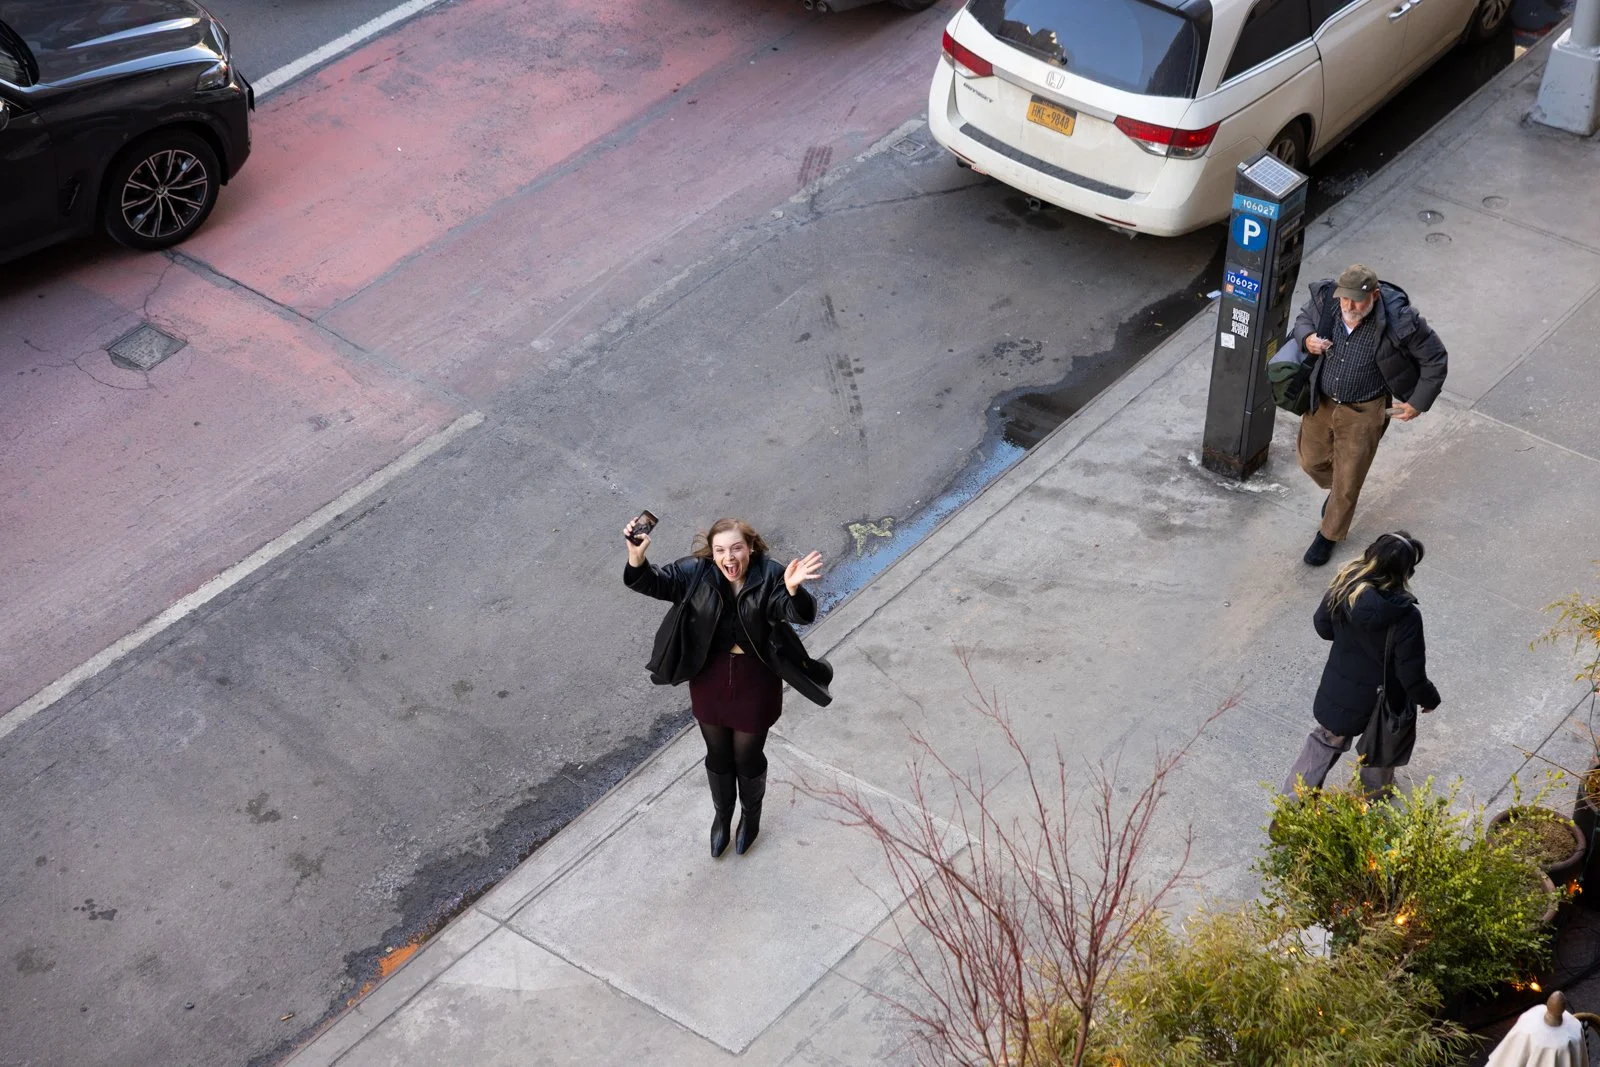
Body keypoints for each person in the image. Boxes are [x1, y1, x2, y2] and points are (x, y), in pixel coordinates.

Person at [623, 516, 830, 857]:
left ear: (750, 547)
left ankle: (751, 816)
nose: (729, 558)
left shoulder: (771, 573)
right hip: (710, 677)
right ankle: (723, 816)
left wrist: (793, 589)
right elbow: (652, 582)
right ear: (712, 552)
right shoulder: (695, 571)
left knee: (747, 756)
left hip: (756, 677)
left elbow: (797, 613)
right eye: (720, 550)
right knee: (718, 754)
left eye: (736, 548)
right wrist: (636, 556)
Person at [1292, 265, 1448, 567]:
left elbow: (1435, 359)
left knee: (1349, 481)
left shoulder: (1402, 321)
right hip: (1322, 401)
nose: (1349, 307)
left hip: (1364, 411)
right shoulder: (1326, 301)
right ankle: (1337, 492)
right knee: (1310, 460)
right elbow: (1302, 320)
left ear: (1374, 295)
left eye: (1357, 301)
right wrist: (1307, 338)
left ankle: (1329, 533)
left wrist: (1417, 402)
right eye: (1345, 300)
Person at [1282, 531, 1441, 797]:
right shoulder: (1405, 615)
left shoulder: (1345, 585)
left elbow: (1323, 627)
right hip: (1383, 700)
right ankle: (1373, 800)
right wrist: (1429, 698)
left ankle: (1293, 803)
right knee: (1381, 746)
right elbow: (1410, 673)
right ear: (1405, 572)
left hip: (1341, 690)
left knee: (1324, 741)